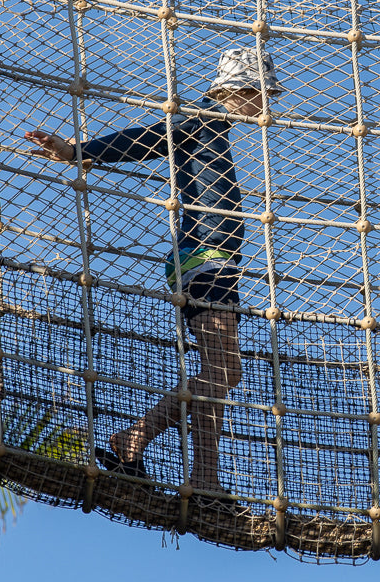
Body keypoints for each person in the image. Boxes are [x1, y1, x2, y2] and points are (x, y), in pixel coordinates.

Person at [25, 47, 283, 508]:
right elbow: (148, 138)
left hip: (211, 261)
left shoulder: (213, 126)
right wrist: (79, 152)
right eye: (262, 94)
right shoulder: (204, 117)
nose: (266, 104)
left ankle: (171, 460)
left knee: (221, 374)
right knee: (222, 374)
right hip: (205, 259)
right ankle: (167, 459)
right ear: (241, 90)